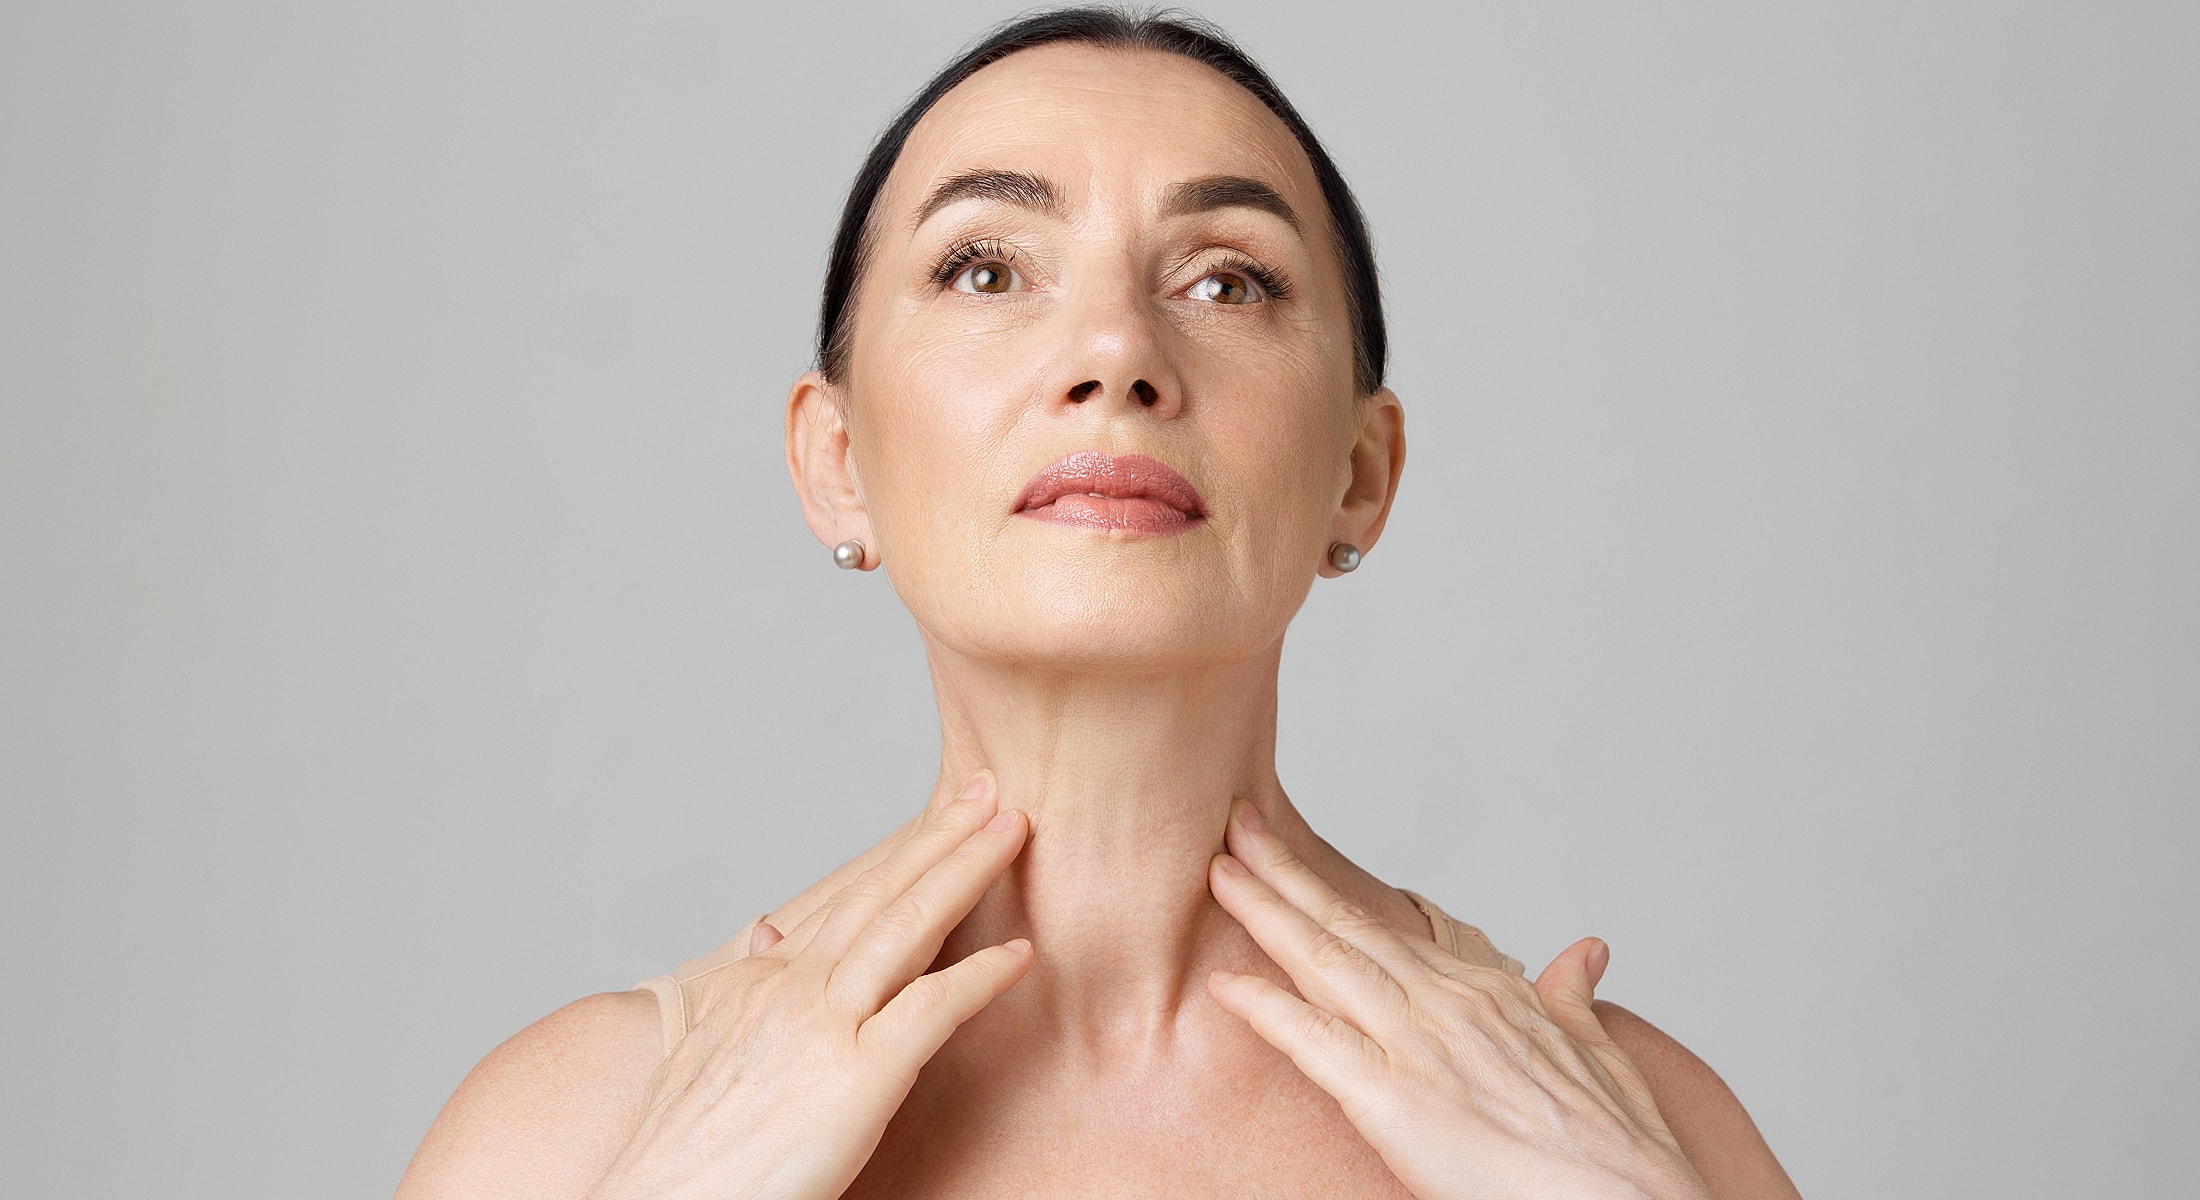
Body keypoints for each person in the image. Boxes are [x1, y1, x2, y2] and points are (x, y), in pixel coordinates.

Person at [395, 9, 1802, 1199]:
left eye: (1227, 281)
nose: (1118, 352)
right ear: (838, 465)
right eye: (988, 268)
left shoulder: (1635, 1129)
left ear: (1358, 477)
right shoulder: (574, 1136)